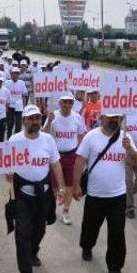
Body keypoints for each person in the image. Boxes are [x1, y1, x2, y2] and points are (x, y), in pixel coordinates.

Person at [73, 112, 137, 273]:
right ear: (102, 117)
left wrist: (129, 149)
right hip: (95, 195)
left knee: (117, 233)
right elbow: (80, 160)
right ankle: (87, 246)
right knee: (90, 227)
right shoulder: (91, 137)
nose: (114, 120)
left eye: (117, 117)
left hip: (118, 195)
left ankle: (115, 267)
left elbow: (135, 161)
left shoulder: (126, 137)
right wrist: (76, 184)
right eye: (110, 117)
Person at [7, 104, 66, 273]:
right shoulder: (14, 139)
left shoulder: (48, 140)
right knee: (22, 233)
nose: (35, 122)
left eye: (37, 118)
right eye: (31, 119)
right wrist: (8, 175)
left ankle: (33, 251)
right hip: (23, 195)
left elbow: (55, 164)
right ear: (23, 121)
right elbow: (6, 166)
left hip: (44, 194)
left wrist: (62, 187)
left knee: (40, 228)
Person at [43, 93, 87, 225]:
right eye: (64, 102)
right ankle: (51, 208)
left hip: (71, 156)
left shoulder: (77, 118)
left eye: (70, 102)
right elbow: (44, 134)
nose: (67, 105)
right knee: (54, 186)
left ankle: (66, 212)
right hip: (55, 157)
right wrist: (49, 121)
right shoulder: (53, 116)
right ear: (60, 103)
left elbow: (81, 135)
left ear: (72, 104)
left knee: (70, 186)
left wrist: (79, 153)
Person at [4, 66, 28, 139]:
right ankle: (9, 139)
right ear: (11, 74)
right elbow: (4, 95)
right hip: (10, 107)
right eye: (14, 73)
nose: (15, 75)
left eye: (17, 73)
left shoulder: (22, 83)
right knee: (10, 125)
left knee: (18, 125)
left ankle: (16, 140)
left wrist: (24, 106)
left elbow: (24, 95)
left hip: (19, 107)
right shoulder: (7, 83)